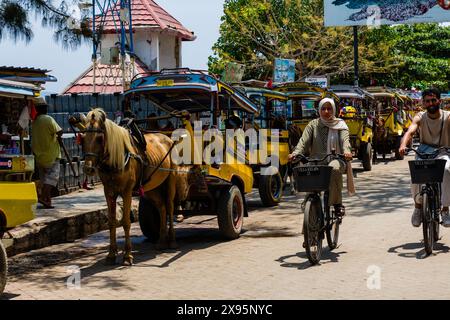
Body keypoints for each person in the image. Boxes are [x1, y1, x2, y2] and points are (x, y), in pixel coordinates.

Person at [288, 98, 353, 216]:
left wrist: (347, 151)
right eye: (323, 108)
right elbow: (303, 142)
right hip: (316, 160)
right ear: (319, 110)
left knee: (334, 169)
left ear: (333, 110)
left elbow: (345, 140)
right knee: (307, 171)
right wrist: (295, 153)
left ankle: (337, 203)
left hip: (336, 159)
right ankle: (310, 204)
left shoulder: (340, 124)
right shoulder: (313, 125)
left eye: (329, 108)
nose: (326, 111)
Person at [399, 88, 450, 227]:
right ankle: (418, 206)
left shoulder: (448, 116)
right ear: (423, 103)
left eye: (433, 100)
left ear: (439, 101)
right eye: (427, 101)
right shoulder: (420, 116)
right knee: (415, 175)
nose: (430, 103)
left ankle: (445, 209)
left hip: (443, 152)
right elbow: (410, 131)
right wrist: (403, 144)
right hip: (424, 152)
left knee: (446, 171)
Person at [31, 102, 63, 209]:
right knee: (52, 179)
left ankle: (47, 201)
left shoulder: (34, 122)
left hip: (39, 156)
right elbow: (60, 131)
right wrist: (57, 135)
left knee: (45, 178)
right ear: (44, 109)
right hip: (51, 155)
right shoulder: (48, 119)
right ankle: (42, 196)